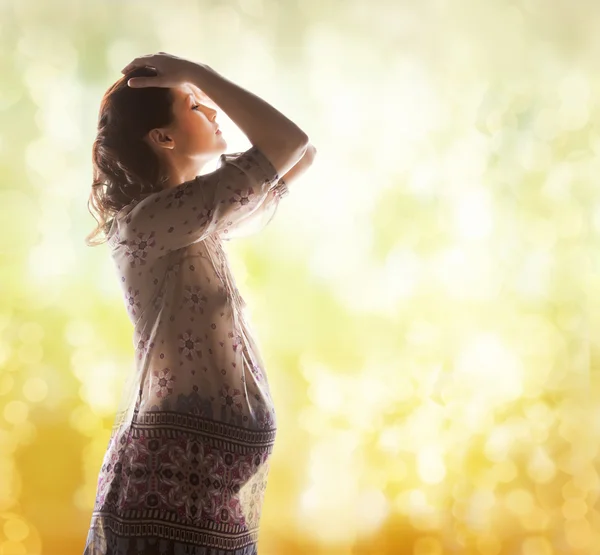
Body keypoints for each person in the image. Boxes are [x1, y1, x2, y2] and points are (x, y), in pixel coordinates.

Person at [82, 51, 316, 555]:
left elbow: (303, 151)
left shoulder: (200, 222)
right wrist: (198, 72)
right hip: (170, 489)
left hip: (206, 492)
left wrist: (195, 85)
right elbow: (287, 142)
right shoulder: (150, 224)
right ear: (163, 138)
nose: (212, 111)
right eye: (194, 106)